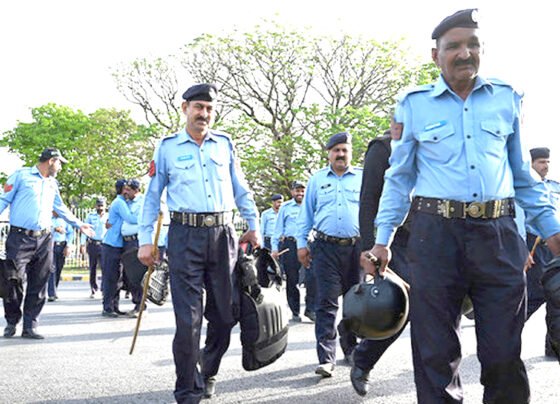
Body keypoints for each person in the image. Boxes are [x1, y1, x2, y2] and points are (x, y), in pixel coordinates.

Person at [366, 9, 560, 403]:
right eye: (454, 46)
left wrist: (552, 230)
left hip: (498, 235)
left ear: (482, 50)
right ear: (435, 54)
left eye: (472, 44)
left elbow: (521, 175)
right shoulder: (414, 104)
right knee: (435, 354)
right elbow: (399, 178)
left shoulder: (506, 98)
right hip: (435, 236)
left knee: (504, 353)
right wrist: (382, 240)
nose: (464, 53)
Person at [137, 83, 259, 403]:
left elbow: (241, 187)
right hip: (184, 236)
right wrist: (145, 241)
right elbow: (152, 197)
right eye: (198, 107)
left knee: (224, 314)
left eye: (209, 108)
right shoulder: (166, 148)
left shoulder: (225, 145)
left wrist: (254, 223)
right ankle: (187, 391)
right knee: (188, 320)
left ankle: (208, 370)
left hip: (223, 235)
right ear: (184, 108)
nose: (204, 114)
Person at [0, 147, 93, 339]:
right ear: (51, 161)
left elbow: (60, 207)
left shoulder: (52, 183)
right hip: (20, 238)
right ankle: (12, 320)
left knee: (39, 282)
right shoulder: (20, 176)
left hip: (44, 239)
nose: (60, 167)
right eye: (59, 163)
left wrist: (79, 224)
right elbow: (3, 200)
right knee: (12, 280)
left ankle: (30, 325)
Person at [349, 130, 412, 396]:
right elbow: (368, 200)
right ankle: (363, 360)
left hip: (433, 238)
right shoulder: (383, 147)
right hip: (393, 242)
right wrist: (369, 249)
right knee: (400, 305)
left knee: (434, 312)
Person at [296, 132, 362, 378]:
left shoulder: (362, 178)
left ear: (350, 152)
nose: (341, 154)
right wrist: (302, 245)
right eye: (336, 150)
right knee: (326, 303)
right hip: (325, 248)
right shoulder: (316, 180)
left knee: (355, 303)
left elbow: (372, 213)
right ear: (329, 154)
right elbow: (306, 216)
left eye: (345, 150)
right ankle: (326, 358)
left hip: (356, 249)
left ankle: (352, 350)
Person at [525, 147, 560, 359]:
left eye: (547, 162)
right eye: (540, 162)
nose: (544, 166)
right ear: (530, 165)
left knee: (556, 296)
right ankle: (505, 340)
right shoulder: (524, 188)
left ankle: (553, 344)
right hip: (534, 245)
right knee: (531, 296)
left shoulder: (555, 187)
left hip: (554, 245)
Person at [272, 181, 314, 322]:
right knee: (292, 279)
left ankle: (311, 309)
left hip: (310, 245)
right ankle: (295, 311)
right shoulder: (285, 208)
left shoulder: (312, 205)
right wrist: (274, 248)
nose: (300, 194)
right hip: (291, 246)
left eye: (303, 191)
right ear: (292, 192)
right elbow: (277, 230)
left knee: (313, 278)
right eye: (297, 191)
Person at [100, 179, 137, 318]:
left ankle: (114, 306)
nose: (128, 191)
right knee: (110, 278)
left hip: (118, 244)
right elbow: (130, 218)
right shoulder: (119, 203)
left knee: (117, 278)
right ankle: (108, 307)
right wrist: (147, 217)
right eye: (126, 188)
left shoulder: (123, 202)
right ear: (122, 189)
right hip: (111, 245)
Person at [120, 178, 144, 317]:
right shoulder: (125, 203)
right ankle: (136, 303)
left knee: (137, 275)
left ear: (136, 190)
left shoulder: (142, 203)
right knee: (129, 275)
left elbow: (138, 220)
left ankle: (141, 305)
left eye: (129, 190)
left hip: (136, 241)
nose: (125, 192)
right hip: (126, 241)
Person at [80, 197, 108, 298]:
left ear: (105, 206)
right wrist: (82, 244)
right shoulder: (90, 216)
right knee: (93, 267)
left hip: (104, 244)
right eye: (98, 205)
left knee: (105, 268)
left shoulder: (108, 217)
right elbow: (85, 230)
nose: (100, 207)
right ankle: (93, 289)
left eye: (102, 205)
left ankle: (104, 289)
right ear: (95, 206)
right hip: (92, 244)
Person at [47, 211, 74, 301]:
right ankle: (51, 293)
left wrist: (68, 246)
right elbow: (43, 229)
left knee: (58, 269)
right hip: (50, 245)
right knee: (52, 269)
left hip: (62, 245)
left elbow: (70, 233)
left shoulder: (64, 220)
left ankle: (54, 289)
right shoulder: (47, 218)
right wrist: (54, 229)